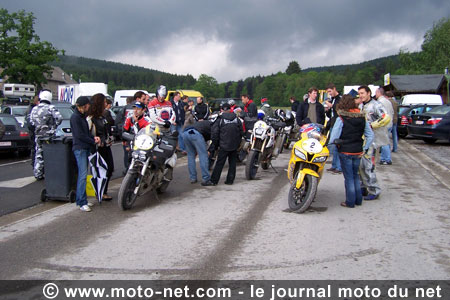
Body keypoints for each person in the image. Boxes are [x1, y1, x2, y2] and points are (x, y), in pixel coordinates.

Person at [329, 95, 374, 208]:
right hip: (358, 151)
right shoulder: (361, 117)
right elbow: (370, 135)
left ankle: (350, 202)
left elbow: (334, 136)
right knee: (355, 176)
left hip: (345, 151)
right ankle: (358, 200)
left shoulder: (341, 118)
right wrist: (365, 148)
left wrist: (330, 148)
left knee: (348, 178)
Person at [358, 85, 390, 200]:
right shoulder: (362, 105)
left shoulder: (376, 105)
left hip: (373, 140)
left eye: (362, 93)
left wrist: (372, 125)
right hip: (363, 140)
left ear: (368, 93)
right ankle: (363, 187)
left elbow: (386, 118)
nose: (360, 95)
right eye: (359, 93)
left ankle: (374, 190)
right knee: (360, 166)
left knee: (368, 166)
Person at [70, 96, 100, 212]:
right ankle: (81, 202)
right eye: (88, 105)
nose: (89, 107)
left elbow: (85, 133)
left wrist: (93, 138)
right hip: (80, 148)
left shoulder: (80, 117)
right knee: (82, 176)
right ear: (84, 106)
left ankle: (83, 200)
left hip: (84, 147)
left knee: (83, 175)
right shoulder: (76, 118)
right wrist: (92, 140)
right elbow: (80, 135)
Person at [30, 89, 63, 180]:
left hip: (38, 135)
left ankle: (38, 173)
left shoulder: (34, 109)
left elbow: (31, 122)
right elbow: (59, 118)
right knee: (51, 155)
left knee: (39, 155)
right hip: (49, 135)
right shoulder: (50, 108)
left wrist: (38, 128)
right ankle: (51, 172)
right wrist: (53, 127)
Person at [87, 93, 115, 201]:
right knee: (101, 169)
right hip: (98, 148)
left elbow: (107, 129)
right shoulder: (91, 118)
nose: (105, 104)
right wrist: (95, 140)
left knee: (110, 168)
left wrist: (109, 138)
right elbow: (88, 133)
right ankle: (101, 192)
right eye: (104, 102)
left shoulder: (103, 116)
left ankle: (103, 191)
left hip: (106, 146)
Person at [210, 103, 244, 185]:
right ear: (230, 109)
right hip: (234, 145)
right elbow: (241, 132)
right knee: (232, 163)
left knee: (219, 163)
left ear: (221, 110)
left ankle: (214, 181)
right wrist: (238, 143)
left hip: (223, 145)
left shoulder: (220, 119)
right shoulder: (236, 118)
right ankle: (230, 180)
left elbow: (215, 134)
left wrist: (216, 145)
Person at [182, 119, 214, 186]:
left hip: (185, 133)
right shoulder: (214, 127)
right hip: (196, 134)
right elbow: (214, 140)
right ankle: (206, 178)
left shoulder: (206, 123)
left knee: (191, 156)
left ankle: (193, 178)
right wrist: (209, 150)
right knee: (203, 155)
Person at [325, 83, 342, 174]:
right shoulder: (332, 99)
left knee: (338, 146)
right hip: (332, 123)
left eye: (330, 91)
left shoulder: (339, 99)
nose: (329, 93)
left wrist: (332, 106)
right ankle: (334, 165)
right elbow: (330, 114)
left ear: (334, 89)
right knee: (334, 146)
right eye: (328, 92)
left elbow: (340, 110)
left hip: (338, 124)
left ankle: (339, 167)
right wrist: (328, 110)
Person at [376, 87, 394, 165]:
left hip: (384, 125)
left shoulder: (380, 102)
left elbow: (380, 115)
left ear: (379, 93)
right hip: (389, 123)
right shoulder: (388, 101)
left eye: (376, 93)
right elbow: (392, 112)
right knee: (386, 141)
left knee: (384, 142)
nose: (375, 94)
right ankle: (385, 158)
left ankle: (386, 159)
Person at [116, 96, 134, 173]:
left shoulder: (124, 109)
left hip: (126, 135)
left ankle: (127, 169)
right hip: (133, 135)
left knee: (127, 153)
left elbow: (118, 121)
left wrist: (122, 134)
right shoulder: (134, 109)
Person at [25, 95, 39, 168]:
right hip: (33, 133)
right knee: (34, 149)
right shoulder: (31, 109)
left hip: (33, 133)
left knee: (35, 149)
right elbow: (30, 124)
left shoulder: (31, 108)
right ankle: (34, 165)